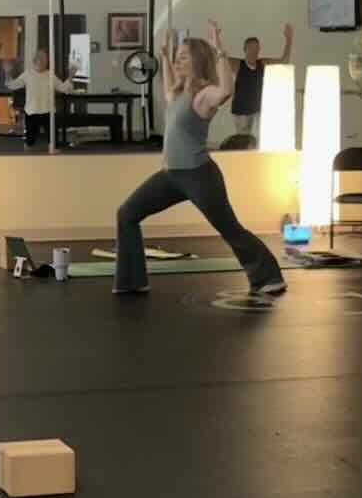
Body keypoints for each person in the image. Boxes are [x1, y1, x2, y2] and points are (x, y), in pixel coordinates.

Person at [114, 23, 285, 298]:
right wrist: (164, 53)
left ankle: (269, 276)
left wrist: (218, 48)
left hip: (199, 176)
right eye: (178, 56)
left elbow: (227, 90)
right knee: (126, 214)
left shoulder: (204, 95)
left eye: (184, 56)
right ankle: (132, 281)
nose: (178, 60)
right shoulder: (179, 93)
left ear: (196, 61)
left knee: (230, 229)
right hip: (170, 176)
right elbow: (167, 82)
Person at [229, 24, 294, 142]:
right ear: (245, 49)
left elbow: (284, 61)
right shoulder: (238, 64)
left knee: (260, 139)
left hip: (258, 109)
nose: (255, 51)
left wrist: (288, 40)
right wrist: (215, 39)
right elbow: (218, 59)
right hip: (241, 111)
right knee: (244, 141)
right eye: (251, 48)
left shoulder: (262, 63)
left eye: (257, 48)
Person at [7, 47, 76, 148]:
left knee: (53, 142)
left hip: (48, 112)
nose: (44, 61)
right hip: (32, 112)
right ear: (35, 60)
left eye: (46, 59)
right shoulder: (28, 74)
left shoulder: (50, 75)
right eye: (42, 58)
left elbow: (64, 89)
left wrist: (71, 76)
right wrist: (8, 72)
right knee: (29, 142)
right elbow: (12, 85)